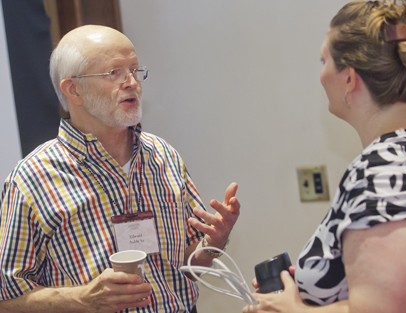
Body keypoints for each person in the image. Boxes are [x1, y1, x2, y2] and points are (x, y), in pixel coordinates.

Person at [0, 25, 240, 313]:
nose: (132, 83)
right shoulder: (32, 178)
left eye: (135, 70)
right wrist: (82, 299)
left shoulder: (163, 156)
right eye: (114, 72)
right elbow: (6, 299)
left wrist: (214, 240)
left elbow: (185, 268)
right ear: (73, 89)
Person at [243, 1, 406, 313]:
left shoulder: (384, 170)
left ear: (349, 78)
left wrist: (296, 311)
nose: (320, 75)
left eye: (324, 61)